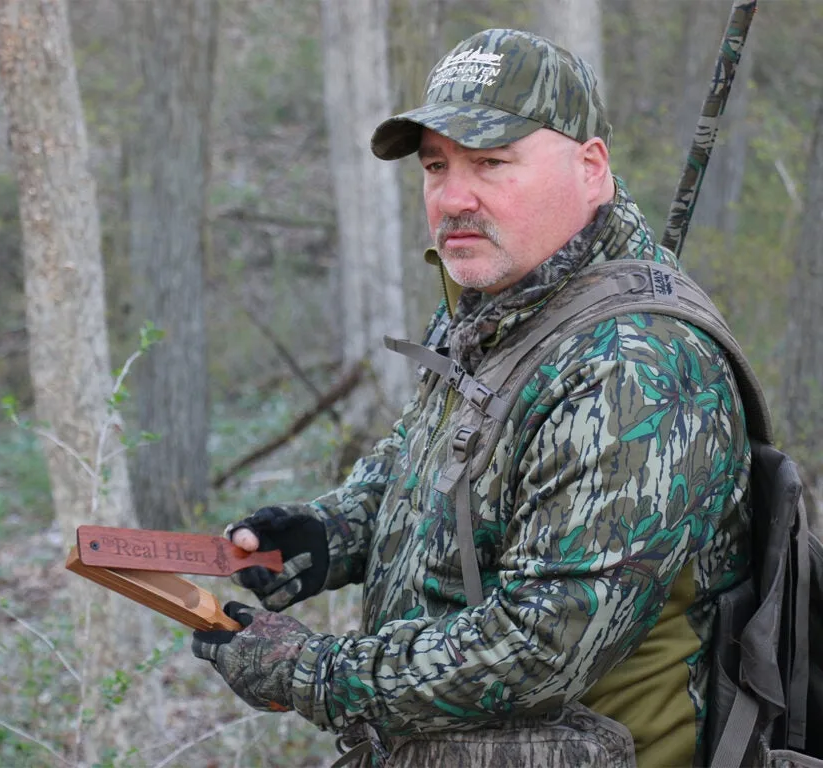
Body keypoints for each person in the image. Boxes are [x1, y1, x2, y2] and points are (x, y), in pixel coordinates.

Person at [192, 28, 750, 768]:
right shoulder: (501, 297)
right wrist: (333, 533)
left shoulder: (635, 365)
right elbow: (434, 463)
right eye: (436, 165)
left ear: (591, 169)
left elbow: (540, 645)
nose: (454, 197)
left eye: (492, 163)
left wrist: (314, 673)